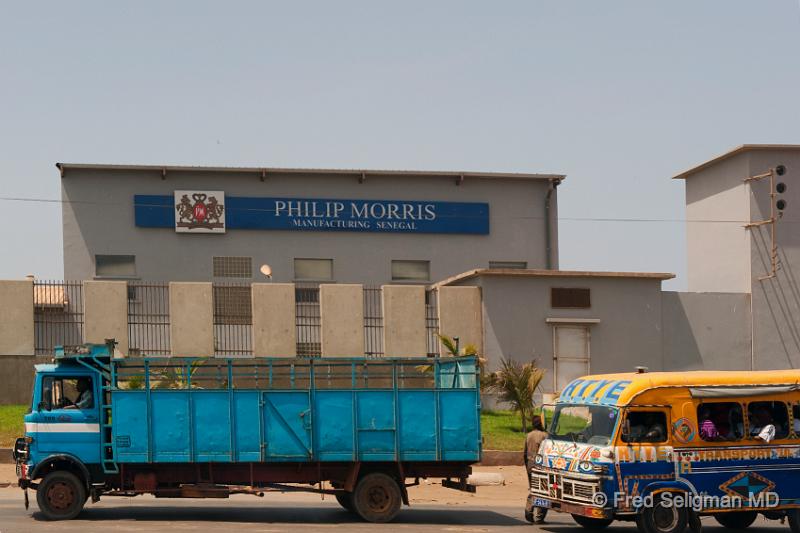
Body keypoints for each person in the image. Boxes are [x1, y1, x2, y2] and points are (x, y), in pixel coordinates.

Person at [525, 416, 549, 524]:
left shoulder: (528, 435)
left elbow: (524, 453)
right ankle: (539, 517)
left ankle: (528, 510)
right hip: (542, 467)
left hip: (530, 465)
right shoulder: (545, 436)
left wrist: (527, 467)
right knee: (544, 491)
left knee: (533, 488)